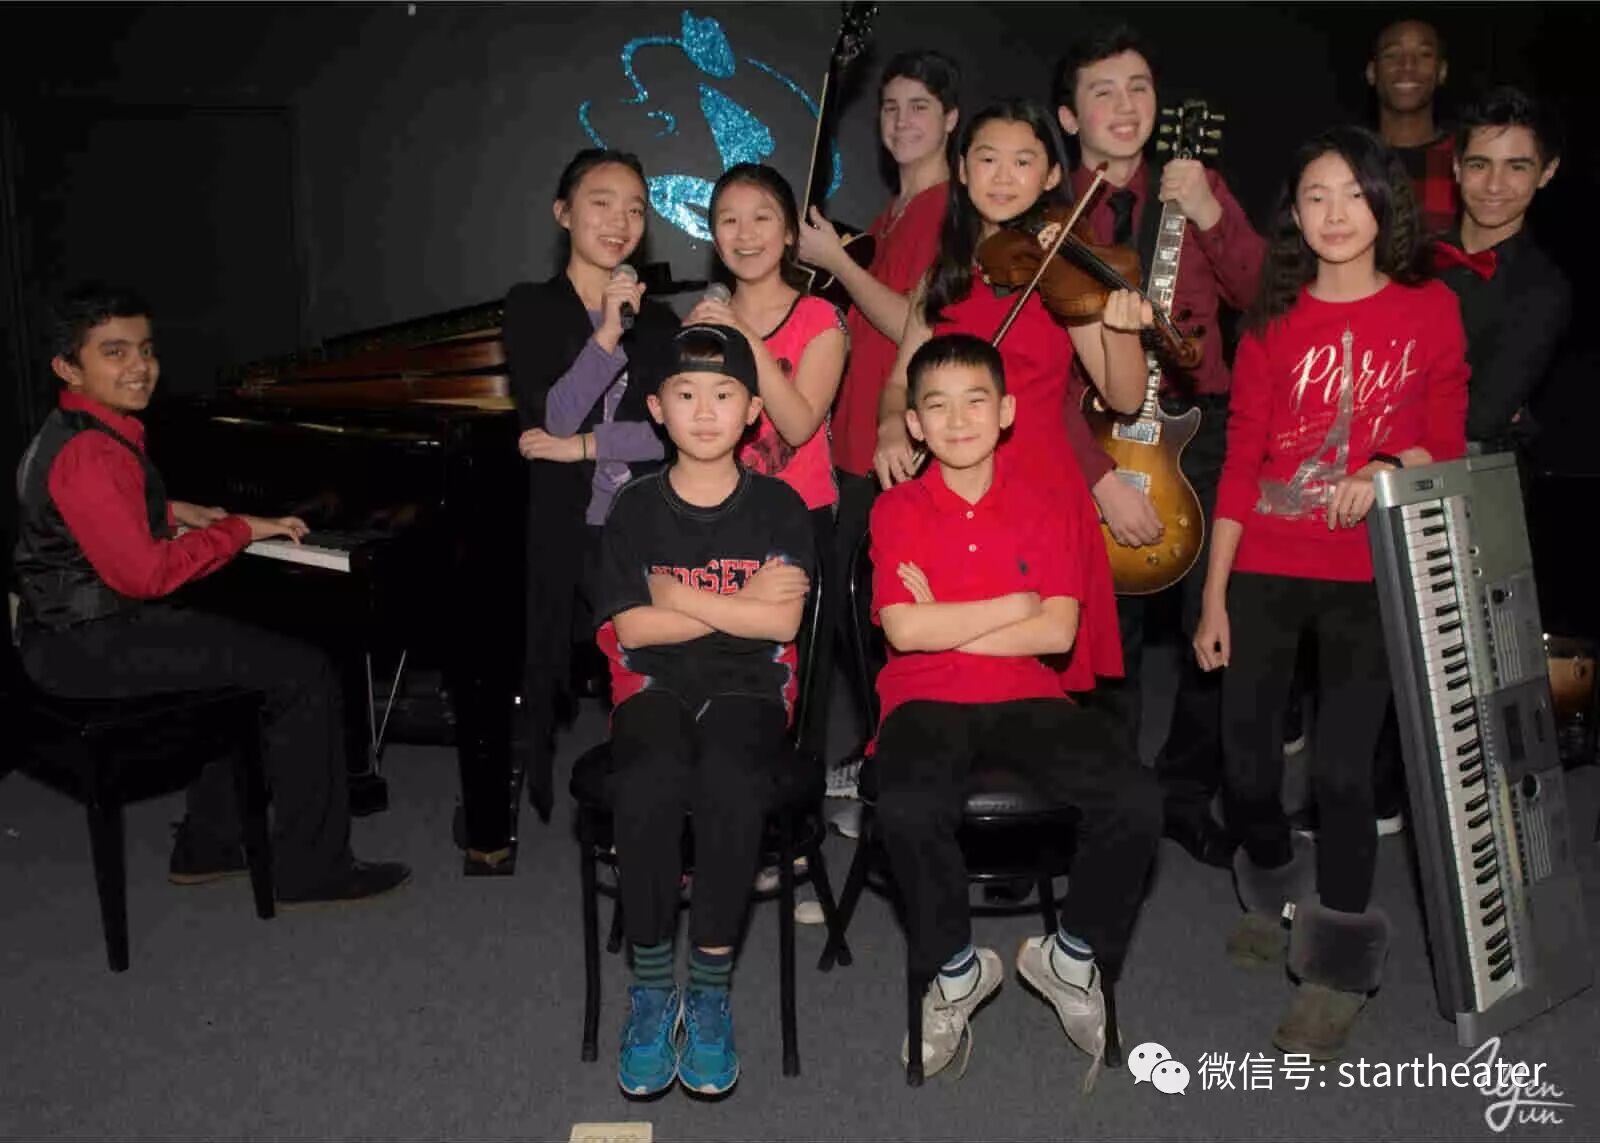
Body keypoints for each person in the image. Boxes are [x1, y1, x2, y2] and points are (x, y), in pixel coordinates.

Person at [1192, 126, 1468, 1059]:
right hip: (1267, 563)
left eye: (1353, 193)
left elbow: (1448, 441)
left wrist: (1391, 462)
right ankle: (1274, 884)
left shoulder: (1430, 309)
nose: (1336, 213)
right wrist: (1215, 596)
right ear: (1294, 215)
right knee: (1247, 768)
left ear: (1384, 205)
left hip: (1368, 570)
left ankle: (1338, 966)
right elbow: (1240, 465)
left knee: (1345, 771)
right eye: (1316, 196)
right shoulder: (1270, 321)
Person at [12, 283, 410, 904]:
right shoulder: (92, 452)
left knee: (244, 649)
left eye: (146, 349)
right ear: (68, 367)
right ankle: (313, 870)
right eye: (115, 352)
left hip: (62, 633)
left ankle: (209, 843)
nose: (139, 366)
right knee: (302, 671)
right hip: (88, 645)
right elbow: (145, 576)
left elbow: (94, 515)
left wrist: (175, 512)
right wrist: (238, 529)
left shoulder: (74, 427)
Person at [869, 332, 1161, 1083]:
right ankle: (957, 969)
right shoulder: (896, 507)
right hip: (924, 696)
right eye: (937, 406)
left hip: (1029, 694)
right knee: (905, 807)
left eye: (976, 402)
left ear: (1005, 412)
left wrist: (946, 618)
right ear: (914, 424)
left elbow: (1057, 633)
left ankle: (1071, 955)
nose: (957, 420)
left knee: (1134, 797)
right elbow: (904, 632)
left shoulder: (1047, 503)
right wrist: (1012, 605)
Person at [1051, 26, 1265, 868]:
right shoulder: (1050, 209)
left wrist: (1210, 212)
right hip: (1090, 439)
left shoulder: (1197, 189)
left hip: (1198, 432)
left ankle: (1182, 792)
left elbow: (1262, 293)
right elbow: (1037, 366)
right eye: (1103, 90)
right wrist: (1099, 478)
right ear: (1070, 116)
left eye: (1139, 87)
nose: (1126, 105)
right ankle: (1108, 799)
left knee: (1213, 629)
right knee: (1106, 639)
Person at [592, 322, 816, 1099]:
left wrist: (678, 594)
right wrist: (738, 601)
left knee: (731, 779)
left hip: (751, 684)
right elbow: (633, 629)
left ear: (753, 409)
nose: (705, 410)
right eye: (685, 394)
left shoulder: (780, 505)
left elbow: (781, 622)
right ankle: (654, 988)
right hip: (651, 683)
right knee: (647, 778)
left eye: (724, 394)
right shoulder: (633, 507)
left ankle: (711, 989)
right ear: (657, 408)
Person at [872, 98, 1157, 702]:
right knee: (946, 670)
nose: (1003, 177)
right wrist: (891, 427)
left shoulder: (1063, 275)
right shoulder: (942, 277)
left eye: (1024, 162)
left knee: (1043, 688)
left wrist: (1122, 332)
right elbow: (899, 382)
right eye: (987, 159)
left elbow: (1124, 396)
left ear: (1051, 175)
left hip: (1041, 492)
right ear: (962, 169)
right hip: (954, 493)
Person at [796, 49, 959, 784]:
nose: (902, 120)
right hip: (855, 439)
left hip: (898, 446)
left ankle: (888, 767)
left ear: (951, 119)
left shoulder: (950, 211)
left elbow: (911, 327)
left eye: (920, 106)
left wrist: (839, 262)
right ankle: (876, 759)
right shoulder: (892, 213)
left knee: (879, 613)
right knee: (851, 613)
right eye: (890, 107)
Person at [504, 148, 676, 832]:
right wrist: (606, 333)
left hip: (638, 522)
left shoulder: (658, 322)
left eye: (635, 208)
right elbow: (552, 415)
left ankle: (655, 800)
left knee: (650, 676)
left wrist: (581, 446)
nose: (620, 222)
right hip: (563, 521)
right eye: (601, 202)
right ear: (563, 212)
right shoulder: (531, 306)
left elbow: (665, 435)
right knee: (548, 658)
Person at [683, 162, 846, 756]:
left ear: (790, 234)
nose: (745, 234)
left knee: (787, 674)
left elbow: (799, 425)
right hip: (716, 517)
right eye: (729, 221)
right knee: (712, 663)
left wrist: (745, 339)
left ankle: (791, 792)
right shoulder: (702, 323)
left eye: (762, 218)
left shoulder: (820, 319)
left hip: (796, 518)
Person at [1436, 84, 1570, 457]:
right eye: (1479, 164)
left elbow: (1481, 419)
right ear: (1457, 167)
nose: (1494, 185)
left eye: (1516, 167)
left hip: (1477, 477)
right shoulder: (1409, 258)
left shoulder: (1542, 289)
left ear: (1546, 172)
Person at [1368, 16, 1458, 238]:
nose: (1407, 65)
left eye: (1424, 55)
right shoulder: (1350, 158)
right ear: (1372, 72)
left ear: (1442, 71)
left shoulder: (1466, 159)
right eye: (1392, 55)